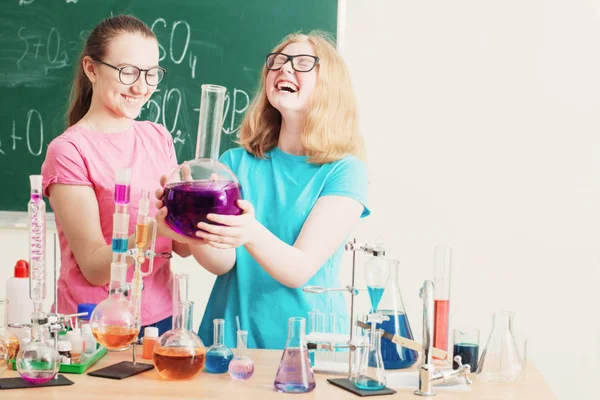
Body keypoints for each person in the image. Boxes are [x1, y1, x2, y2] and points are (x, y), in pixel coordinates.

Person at [156, 31, 369, 349]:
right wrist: (186, 225)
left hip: (306, 347)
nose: (284, 69)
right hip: (230, 340)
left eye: (301, 63)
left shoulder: (345, 170)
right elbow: (222, 262)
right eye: (277, 62)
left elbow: (300, 268)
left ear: (331, 85)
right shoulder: (234, 163)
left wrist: (249, 231)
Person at [41, 15, 189, 336]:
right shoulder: (69, 151)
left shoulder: (158, 137)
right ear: (92, 69)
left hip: (161, 319)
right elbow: (95, 269)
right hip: (93, 324)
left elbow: (182, 247)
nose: (141, 87)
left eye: (151, 74)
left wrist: (203, 212)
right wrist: (156, 228)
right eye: (128, 72)